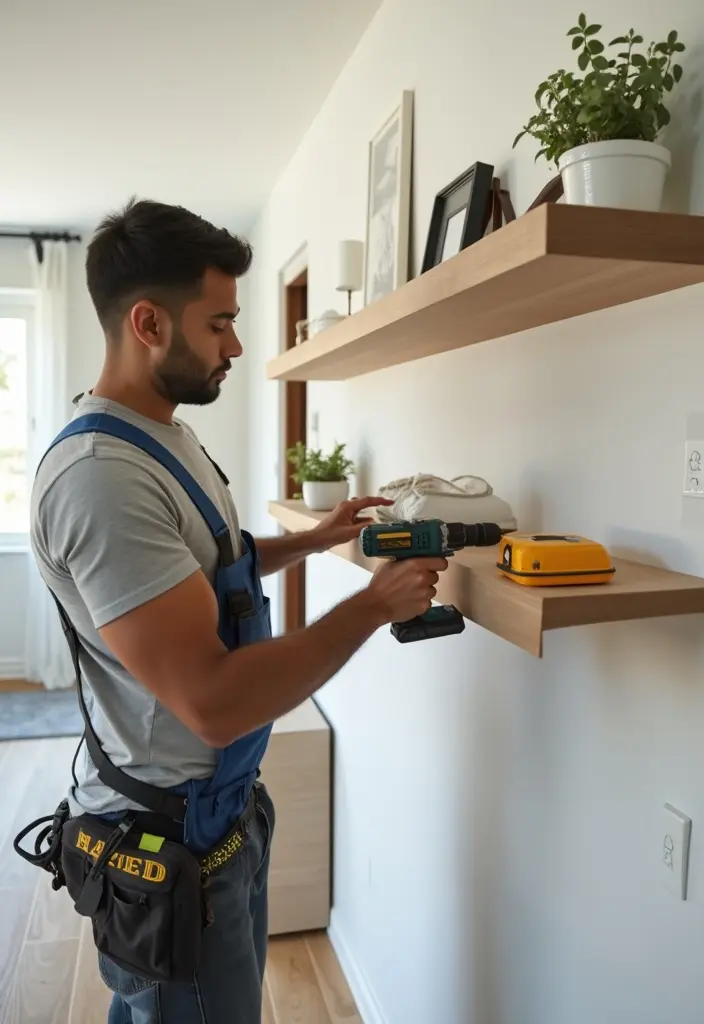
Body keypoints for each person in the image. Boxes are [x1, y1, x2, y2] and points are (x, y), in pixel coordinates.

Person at [29, 197, 448, 1024]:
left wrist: (315, 538)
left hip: (220, 822)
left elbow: (212, 566)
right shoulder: (101, 477)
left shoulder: (165, 437)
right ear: (148, 323)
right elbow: (214, 702)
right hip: (164, 843)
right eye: (219, 324)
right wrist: (371, 606)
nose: (238, 345)